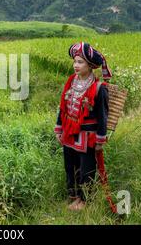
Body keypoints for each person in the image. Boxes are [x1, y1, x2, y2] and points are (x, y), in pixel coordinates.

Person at [54, 42, 113, 211]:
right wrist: (59, 128)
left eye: (80, 62)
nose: (76, 65)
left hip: (87, 136)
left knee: (86, 169)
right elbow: (63, 106)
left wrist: (100, 140)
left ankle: (85, 200)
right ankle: (73, 197)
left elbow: (103, 115)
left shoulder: (98, 88)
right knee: (70, 166)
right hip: (69, 132)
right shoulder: (71, 81)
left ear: (90, 65)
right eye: (75, 61)